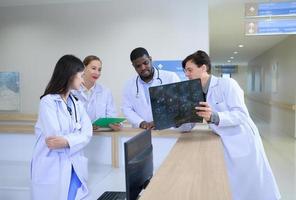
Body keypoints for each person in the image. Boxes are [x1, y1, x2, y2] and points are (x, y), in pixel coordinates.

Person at [182, 50, 281, 200]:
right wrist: (178, 120)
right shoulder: (195, 92)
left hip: (242, 140)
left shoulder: (226, 84)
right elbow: (191, 122)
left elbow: (241, 115)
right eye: (185, 71)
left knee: (254, 186)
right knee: (233, 186)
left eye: (189, 70)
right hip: (225, 141)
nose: (186, 74)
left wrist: (214, 116)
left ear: (203, 68)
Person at [31, 55, 92, 200]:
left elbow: (88, 133)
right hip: (52, 168)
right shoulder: (48, 102)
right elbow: (54, 140)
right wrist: (76, 138)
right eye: (81, 75)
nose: (83, 80)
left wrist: (67, 141)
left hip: (74, 165)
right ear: (70, 75)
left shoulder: (77, 103)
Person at [122, 47, 180, 129]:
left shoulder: (171, 77)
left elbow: (179, 105)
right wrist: (141, 123)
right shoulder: (129, 85)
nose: (143, 68)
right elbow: (126, 109)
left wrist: (160, 121)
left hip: (167, 131)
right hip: (142, 132)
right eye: (138, 66)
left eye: (145, 63)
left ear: (150, 59)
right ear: (133, 66)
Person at [73, 55, 121, 131]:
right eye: (93, 68)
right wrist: (86, 126)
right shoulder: (72, 91)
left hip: (101, 137)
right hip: (78, 137)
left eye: (99, 70)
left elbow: (111, 116)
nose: (97, 72)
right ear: (84, 69)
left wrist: (115, 124)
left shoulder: (105, 92)